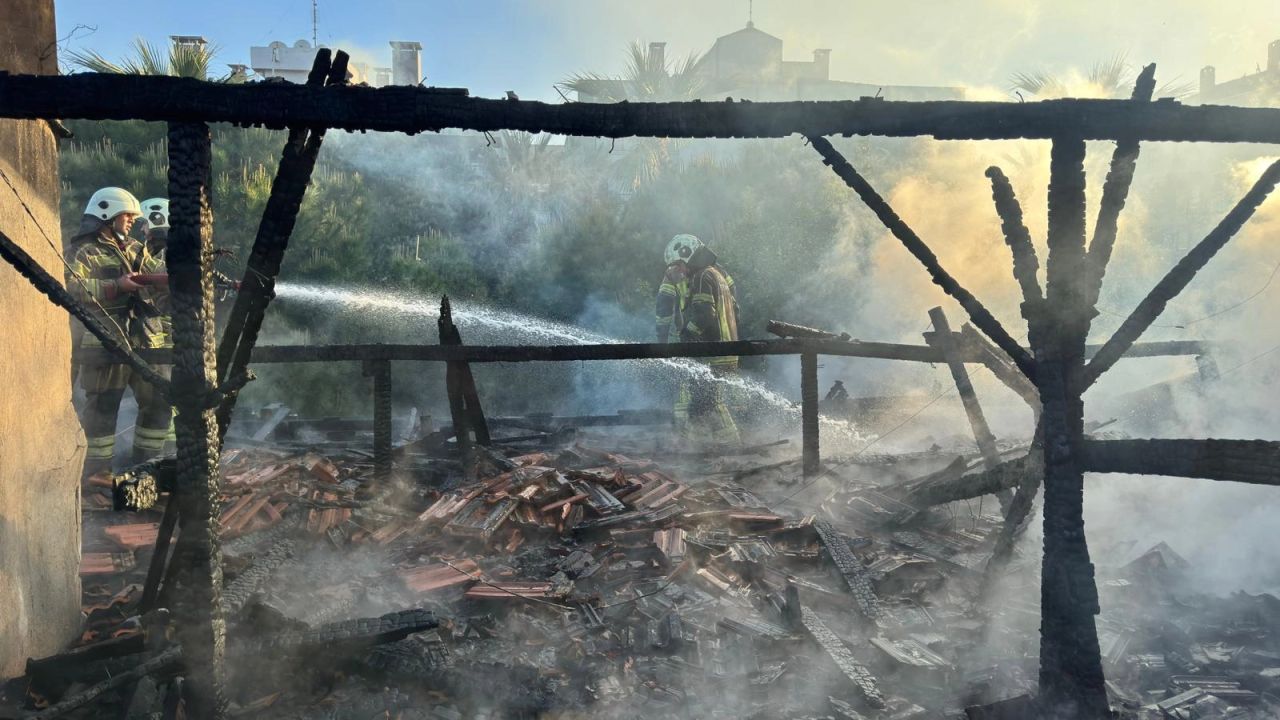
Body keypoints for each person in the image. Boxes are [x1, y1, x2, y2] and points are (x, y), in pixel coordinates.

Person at [66, 188, 171, 477]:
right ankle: (97, 478)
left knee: (160, 403)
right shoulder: (83, 251)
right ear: (106, 215)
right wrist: (116, 287)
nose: (131, 221)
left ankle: (146, 471)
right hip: (104, 343)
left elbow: (157, 276)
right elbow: (71, 289)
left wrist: (177, 281)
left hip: (145, 340)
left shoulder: (136, 248)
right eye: (126, 215)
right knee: (103, 410)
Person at [655, 233, 741, 446]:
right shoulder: (717, 273)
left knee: (712, 402)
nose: (679, 271)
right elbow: (735, 308)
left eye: (679, 265)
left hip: (715, 351)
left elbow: (704, 314)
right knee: (703, 401)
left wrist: (686, 336)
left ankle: (731, 447)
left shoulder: (702, 276)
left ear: (688, 255)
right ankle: (704, 445)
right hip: (725, 347)